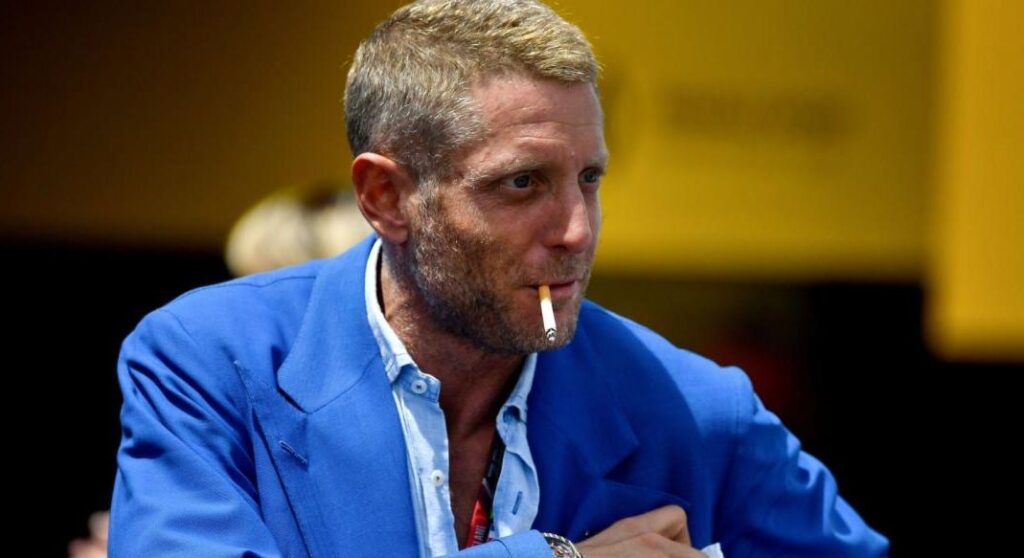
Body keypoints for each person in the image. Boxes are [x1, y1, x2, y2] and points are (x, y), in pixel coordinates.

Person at [109, 1, 889, 556]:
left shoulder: (695, 410)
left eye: (589, 178)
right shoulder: (208, 362)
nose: (577, 230)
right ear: (386, 197)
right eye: (522, 183)